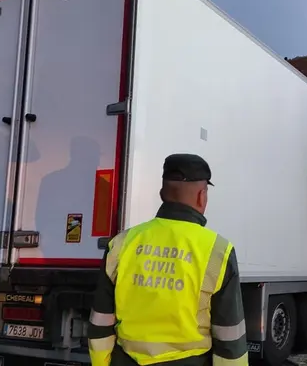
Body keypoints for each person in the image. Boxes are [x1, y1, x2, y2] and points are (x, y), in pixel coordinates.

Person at [87, 154, 248, 366]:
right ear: (202, 196)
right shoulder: (217, 250)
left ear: (162, 193)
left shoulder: (123, 243)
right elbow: (229, 337)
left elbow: (100, 322)